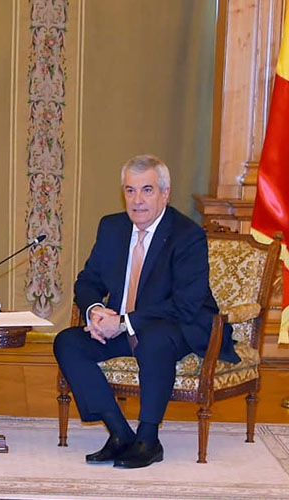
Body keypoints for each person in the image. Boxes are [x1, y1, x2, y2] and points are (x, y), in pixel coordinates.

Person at [53, 154, 239, 469]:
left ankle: (149, 439)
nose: (137, 200)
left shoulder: (186, 234)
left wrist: (123, 322)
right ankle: (120, 433)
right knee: (67, 342)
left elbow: (186, 303)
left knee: (154, 340)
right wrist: (96, 312)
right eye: (130, 190)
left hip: (179, 326)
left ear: (165, 194)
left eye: (147, 190)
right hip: (123, 326)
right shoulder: (112, 227)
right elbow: (87, 281)